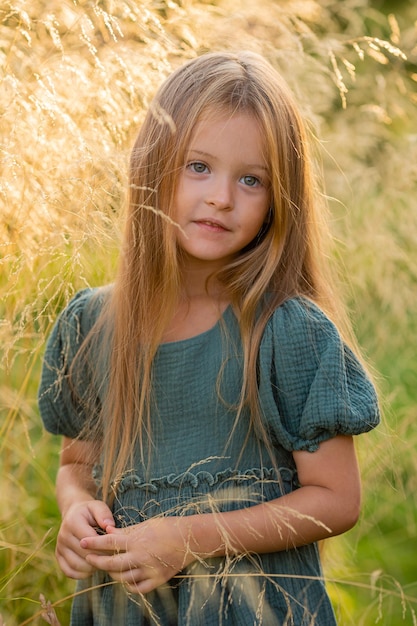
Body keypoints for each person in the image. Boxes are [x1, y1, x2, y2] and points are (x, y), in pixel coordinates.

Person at [38, 50, 380, 626]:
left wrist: (189, 538)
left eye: (251, 179)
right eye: (198, 166)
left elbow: (336, 500)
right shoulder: (95, 326)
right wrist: (75, 508)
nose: (222, 196)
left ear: (278, 202)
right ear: (154, 165)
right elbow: (78, 465)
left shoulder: (286, 332)